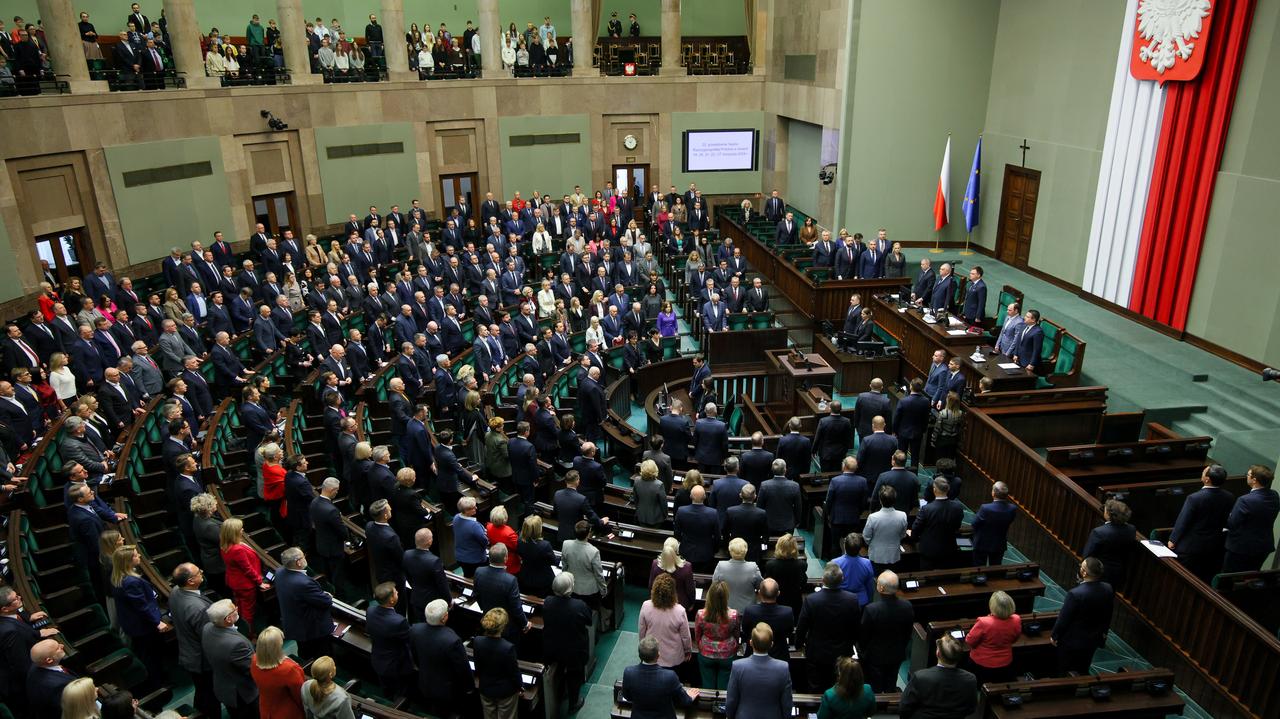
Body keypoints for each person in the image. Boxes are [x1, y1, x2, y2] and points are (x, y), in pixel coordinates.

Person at [111, 544, 171, 693]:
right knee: (151, 656)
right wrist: (157, 622)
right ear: (128, 562)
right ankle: (158, 685)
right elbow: (142, 606)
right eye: (136, 556)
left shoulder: (118, 577)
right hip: (143, 627)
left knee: (148, 654)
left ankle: (158, 680)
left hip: (134, 625)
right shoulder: (131, 582)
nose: (139, 557)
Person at [796, 564, 861, 692]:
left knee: (816, 687)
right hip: (843, 654)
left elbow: (802, 626)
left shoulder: (812, 600)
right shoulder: (852, 600)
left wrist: (799, 644)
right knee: (841, 687)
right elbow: (856, 627)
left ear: (823, 579)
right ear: (842, 580)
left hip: (816, 654)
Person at [169, 563, 219, 719]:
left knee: (202, 690)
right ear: (190, 581)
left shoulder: (176, 591)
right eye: (198, 572)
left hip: (188, 652)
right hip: (202, 659)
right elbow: (209, 637)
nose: (202, 572)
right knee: (211, 695)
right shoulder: (197, 608)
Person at [1168, 464, 1235, 581]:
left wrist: (1173, 540)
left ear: (1207, 479)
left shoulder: (1194, 498)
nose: (1202, 474)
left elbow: (1183, 521)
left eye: (1204, 472)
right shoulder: (1229, 497)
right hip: (1213, 545)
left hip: (1190, 547)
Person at [410, 598, 474, 715]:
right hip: (448, 690)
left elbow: (414, 655)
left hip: (425, 682)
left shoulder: (415, 629)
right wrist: (469, 688)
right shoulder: (452, 640)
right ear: (444, 618)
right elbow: (462, 668)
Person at [1052, 557, 1114, 675]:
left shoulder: (1075, 593)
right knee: (1084, 666)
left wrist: (1055, 635)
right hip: (1093, 638)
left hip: (1072, 640)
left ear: (1084, 573)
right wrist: (1104, 633)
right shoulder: (1108, 588)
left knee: (1064, 667)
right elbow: (1108, 614)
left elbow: (1064, 618)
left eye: (1081, 567)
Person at [542, 573, 592, 714]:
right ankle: (573, 702)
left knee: (557, 671)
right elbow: (589, 620)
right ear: (570, 588)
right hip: (574, 649)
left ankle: (559, 695)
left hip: (553, 646)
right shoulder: (579, 605)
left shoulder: (548, 601)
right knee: (574, 675)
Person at [202, 598, 259, 719]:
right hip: (243, 693)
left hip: (223, 686)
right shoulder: (236, 644)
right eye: (235, 609)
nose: (237, 610)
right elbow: (252, 669)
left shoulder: (207, 628)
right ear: (228, 619)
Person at [274, 547, 334, 662]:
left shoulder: (279, 572)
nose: (305, 558)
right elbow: (325, 602)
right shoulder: (303, 583)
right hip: (312, 630)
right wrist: (327, 596)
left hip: (294, 625)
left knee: (304, 655)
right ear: (298, 562)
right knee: (322, 658)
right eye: (303, 556)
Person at [859, 571, 915, 693]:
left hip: (875, 656)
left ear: (881, 588)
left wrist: (862, 652)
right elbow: (907, 633)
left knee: (874, 685)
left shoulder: (871, 610)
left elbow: (864, 636)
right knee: (891, 681)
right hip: (896, 653)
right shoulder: (907, 606)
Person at [899, 636, 978, 719]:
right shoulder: (970, 679)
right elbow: (971, 708)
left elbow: (904, 707)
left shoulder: (921, 677)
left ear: (938, 653)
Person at [726, 623, 793, 719]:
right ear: (771, 644)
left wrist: (729, 716)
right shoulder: (783, 668)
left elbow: (731, 701)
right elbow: (787, 704)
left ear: (750, 643)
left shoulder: (738, 666)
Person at [621, 636, 698, 718]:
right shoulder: (669, 676)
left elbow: (627, 696)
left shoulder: (629, 673)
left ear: (640, 655)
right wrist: (689, 697)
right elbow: (683, 700)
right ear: (658, 655)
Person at [1223, 464, 1279, 573]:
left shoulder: (1245, 500)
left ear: (1254, 480)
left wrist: (1230, 515)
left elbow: (1232, 523)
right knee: (1250, 577)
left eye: (1247, 475)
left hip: (1241, 548)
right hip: (1263, 547)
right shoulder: (1274, 495)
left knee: (1229, 577)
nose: (1246, 476)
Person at [638, 573, 692, 677]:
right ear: (673, 592)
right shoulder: (680, 610)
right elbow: (686, 636)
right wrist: (687, 650)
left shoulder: (646, 606)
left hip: (651, 654)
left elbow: (641, 631)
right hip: (673, 659)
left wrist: (643, 650)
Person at [963, 590, 1021, 684]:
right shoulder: (1016, 619)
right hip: (1005, 664)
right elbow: (1015, 638)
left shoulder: (984, 622)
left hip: (981, 665)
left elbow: (969, 641)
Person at [221, 518, 267, 633]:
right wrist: (259, 582)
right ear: (234, 532)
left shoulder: (225, 545)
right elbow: (247, 569)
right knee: (248, 611)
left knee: (240, 607)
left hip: (234, 582)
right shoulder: (237, 549)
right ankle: (249, 634)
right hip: (245, 584)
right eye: (240, 529)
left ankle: (242, 628)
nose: (243, 530)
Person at [474, 544, 528, 643]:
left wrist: (485, 608)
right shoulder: (511, 580)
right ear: (505, 558)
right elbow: (516, 607)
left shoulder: (478, 572)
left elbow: (476, 595)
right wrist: (525, 623)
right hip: (506, 627)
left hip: (487, 618)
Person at [367, 582, 414, 696]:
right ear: (391, 600)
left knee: (386, 689)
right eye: (395, 592)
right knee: (400, 691)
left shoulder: (370, 610)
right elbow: (410, 640)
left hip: (378, 659)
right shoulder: (398, 621)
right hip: (396, 665)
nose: (397, 592)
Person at [474, 607, 521, 719]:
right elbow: (513, 672)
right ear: (503, 627)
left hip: (486, 688)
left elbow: (478, 666)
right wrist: (520, 686)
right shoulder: (507, 648)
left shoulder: (477, 641)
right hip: (505, 692)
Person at [250, 626, 306, 719]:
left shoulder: (254, 660)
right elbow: (300, 695)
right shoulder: (289, 668)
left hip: (266, 709)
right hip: (288, 713)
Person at [694, 580, 741, 690]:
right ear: (726, 597)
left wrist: (700, 645)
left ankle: (708, 703)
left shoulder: (701, 614)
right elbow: (736, 634)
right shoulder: (733, 615)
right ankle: (721, 705)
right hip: (727, 653)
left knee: (707, 683)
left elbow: (697, 634)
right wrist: (735, 647)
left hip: (706, 651)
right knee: (724, 685)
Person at [1082, 499, 1138, 588]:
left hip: (1098, 573)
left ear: (1109, 514)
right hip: (1118, 573)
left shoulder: (1099, 532)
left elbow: (1088, 554)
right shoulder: (1131, 529)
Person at [911, 477, 963, 570]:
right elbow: (957, 526)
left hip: (929, 551)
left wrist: (913, 536)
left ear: (934, 490)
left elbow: (916, 528)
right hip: (949, 548)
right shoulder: (958, 507)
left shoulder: (927, 509)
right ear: (948, 489)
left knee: (926, 575)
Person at [824, 457, 869, 554]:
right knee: (852, 545)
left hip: (836, 519)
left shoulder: (835, 481)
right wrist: (858, 512)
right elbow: (864, 502)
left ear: (844, 466)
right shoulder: (863, 481)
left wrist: (828, 514)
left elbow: (829, 500)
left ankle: (835, 566)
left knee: (835, 545)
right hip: (853, 518)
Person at [673, 484, 719, 572]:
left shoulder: (681, 511)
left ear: (690, 496)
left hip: (686, 551)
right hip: (706, 553)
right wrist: (714, 549)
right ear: (705, 497)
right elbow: (717, 535)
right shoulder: (713, 513)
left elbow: (677, 533)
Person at [862, 486, 907, 575]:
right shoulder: (902, 516)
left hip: (876, 556)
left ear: (880, 500)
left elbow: (866, 537)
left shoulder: (873, 517)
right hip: (894, 556)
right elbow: (902, 535)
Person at [971, 481, 1017, 566]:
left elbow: (974, 524)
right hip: (999, 544)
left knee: (979, 567)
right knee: (995, 568)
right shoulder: (1012, 509)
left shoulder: (985, 508)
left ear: (993, 493)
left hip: (982, 543)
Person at [763, 533, 808, 618]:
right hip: (795, 602)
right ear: (795, 548)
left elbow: (767, 583)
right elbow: (803, 583)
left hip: (776, 601)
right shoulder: (802, 565)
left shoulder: (770, 565)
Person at [713, 538, 763, 612]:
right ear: (746, 551)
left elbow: (714, 585)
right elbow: (760, 586)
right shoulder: (753, 567)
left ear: (730, 551)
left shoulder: (721, 565)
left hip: (726, 609)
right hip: (747, 610)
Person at [649, 536, 696, 609]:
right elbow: (690, 590)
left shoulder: (655, 564)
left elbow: (651, 586)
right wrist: (692, 603)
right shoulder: (687, 567)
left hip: (659, 602)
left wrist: (653, 601)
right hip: (680, 604)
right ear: (677, 551)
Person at [759, 459, 803, 535]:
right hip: (788, 525)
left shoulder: (764, 485)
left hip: (769, 525)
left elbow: (760, 506)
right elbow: (798, 507)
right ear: (785, 470)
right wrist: (797, 522)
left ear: (772, 470)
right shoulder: (795, 486)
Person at [516, 515, 556, 598]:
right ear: (538, 529)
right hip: (542, 581)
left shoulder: (519, 541)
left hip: (525, 577)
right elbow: (553, 561)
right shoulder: (545, 545)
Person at [832, 534, 876, 606]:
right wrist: (869, 603)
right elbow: (870, 586)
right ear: (860, 549)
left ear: (844, 546)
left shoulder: (835, 563)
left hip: (840, 602)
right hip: (860, 602)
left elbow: (831, 586)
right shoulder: (867, 563)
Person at [813, 400, 853, 472]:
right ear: (841, 409)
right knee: (837, 473)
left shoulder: (823, 421)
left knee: (825, 474)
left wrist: (813, 450)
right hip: (840, 454)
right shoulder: (847, 421)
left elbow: (817, 438)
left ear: (830, 409)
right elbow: (848, 438)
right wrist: (845, 450)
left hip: (825, 454)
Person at [485, 505, 521, 575]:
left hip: (495, 557)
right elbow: (518, 547)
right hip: (508, 561)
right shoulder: (509, 533)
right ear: (505, 518)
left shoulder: (488, 527)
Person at [633, 459, 668, 527]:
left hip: (641, 515)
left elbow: (635, 499)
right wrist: (665, 515)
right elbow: (663, 503)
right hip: (656, 518)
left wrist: (638, 510)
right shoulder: (659, 484)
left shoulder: (636, 480)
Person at [930, 391, 964, 460]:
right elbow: (960, 428)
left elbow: (937, 429)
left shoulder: (943, 413)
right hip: (953, 441)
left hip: (942, 440)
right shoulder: (960, 413)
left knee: (940, 460)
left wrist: (933, 440)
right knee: (949, 460)